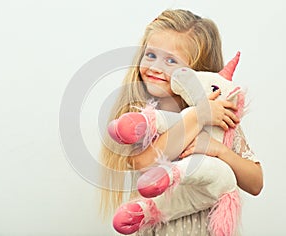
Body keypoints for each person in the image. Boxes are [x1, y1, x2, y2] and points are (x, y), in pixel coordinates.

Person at [99, 9, 263, 235]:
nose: (156, 67)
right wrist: (198, 116)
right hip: (157, 226)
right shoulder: (140, 117)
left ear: (196, 71)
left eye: (171, 60)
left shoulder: (219, 113)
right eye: (151, 55)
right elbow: (142, 162)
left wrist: (219, 150)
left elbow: (255, 183)